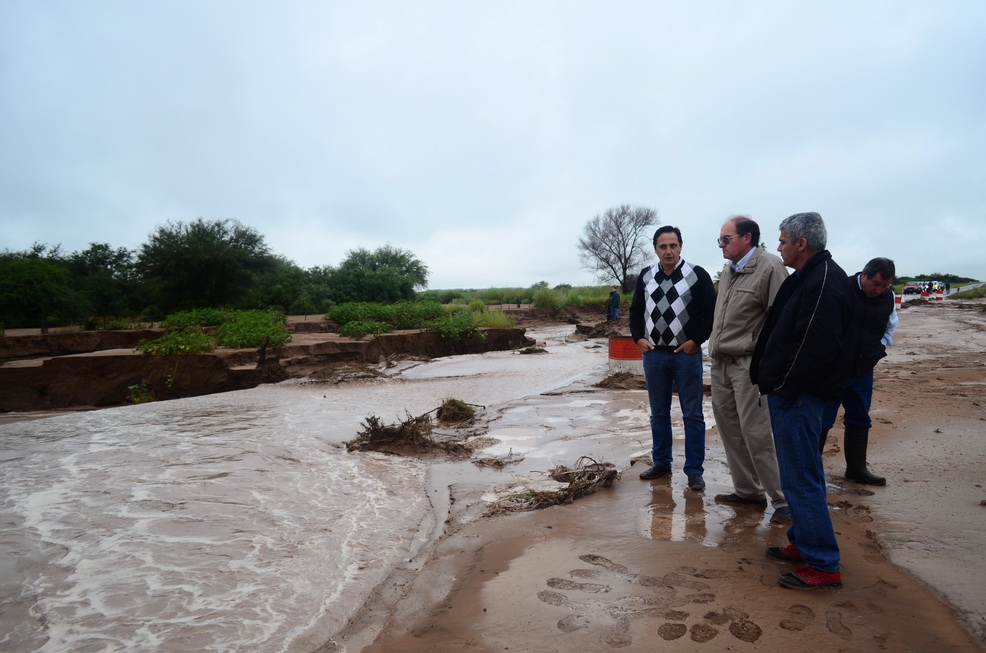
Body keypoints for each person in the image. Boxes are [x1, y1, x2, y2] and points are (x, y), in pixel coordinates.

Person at [750, 212, 853, 590]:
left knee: (802, 480)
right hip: (796, 394)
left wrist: (784, 387)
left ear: (801, 244)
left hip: (801, 397)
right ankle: (804, 542)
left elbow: (813, 346)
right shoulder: (812, 276)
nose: (778, 247)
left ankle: (824, 564)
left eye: (782, 240)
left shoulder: (824, 281)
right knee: (798, 476)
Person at [708, 216, 791, 524]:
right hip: (721, 364)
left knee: (757, 433)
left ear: (747, 238)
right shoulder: (728, 272)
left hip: (748, 365)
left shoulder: (769, 267)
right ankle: (748, 491)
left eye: (725, 239)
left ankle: (783, 500)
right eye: (720, 239)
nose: (721, 245)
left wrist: (769, 363)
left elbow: (782, 319)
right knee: (730, 430)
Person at [630, 226, 716, 491]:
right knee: (658, 413)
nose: (668, 251)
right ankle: (662, 463)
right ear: (655, 248)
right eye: (663, 246)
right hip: (654, 355)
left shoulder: (697, 275)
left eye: (673, 245)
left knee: (692, 414)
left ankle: (693, 471)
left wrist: (695, 341)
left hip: (685, 355)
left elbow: (710, 313)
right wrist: (638, 339)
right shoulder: (646, 276)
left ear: (681, 246)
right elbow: (635, 311)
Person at [820, 257, 898, 485]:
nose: (879, 290)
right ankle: (812, 471)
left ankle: (856, 468)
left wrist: (877, 346)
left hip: (864, 367)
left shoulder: (888, 296)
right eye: (875, 284)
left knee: (860, 417)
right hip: (834, 368)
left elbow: (890, 325)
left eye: (884, 286)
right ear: (863, 274)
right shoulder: (840, 288)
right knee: (823, 420)